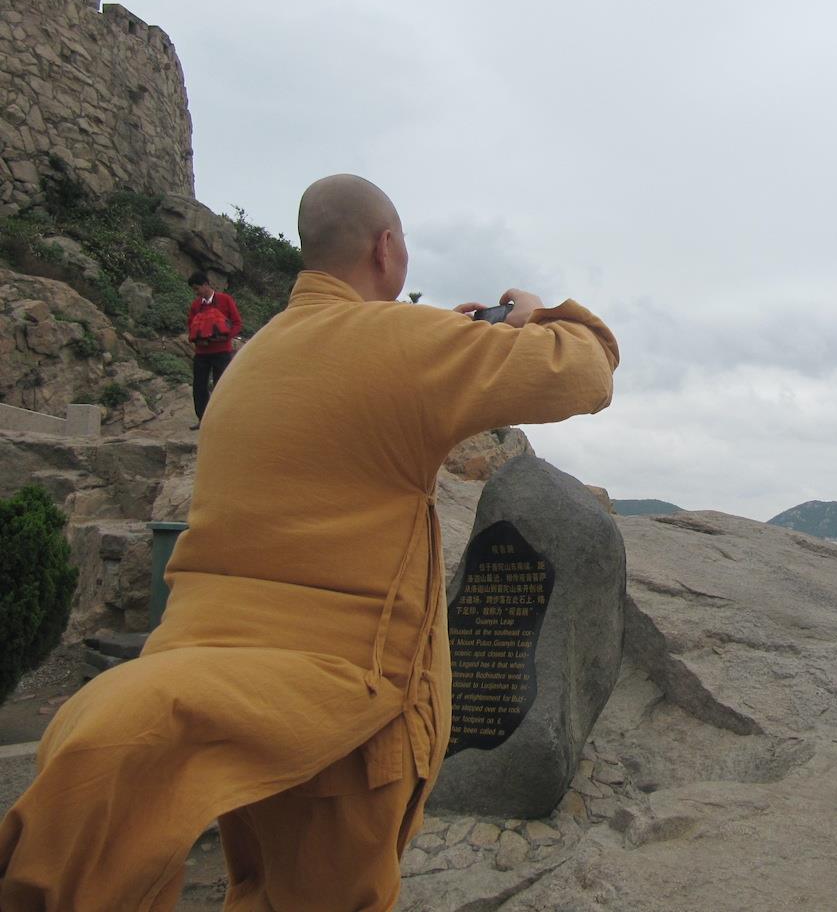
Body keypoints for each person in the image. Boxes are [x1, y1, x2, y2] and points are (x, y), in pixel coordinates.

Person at [0, 174, 619, 910]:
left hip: (204, 672)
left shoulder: (248, 361)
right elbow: (587, 370)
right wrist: (532, 314)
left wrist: (440, 344)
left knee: (255, 881)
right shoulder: (404, 341)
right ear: (386, 249)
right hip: (337, 702)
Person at [186, 271, 243, 428]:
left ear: (205, 285)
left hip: (222, 352)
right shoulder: (196, 305)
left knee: (222, 386)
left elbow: (237, 323)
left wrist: (225, 337)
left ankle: (222, 419)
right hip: (201, 353)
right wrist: (198, 340)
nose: (196, 292)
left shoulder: (225, 300)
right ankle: (203, 419)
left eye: (197, 288)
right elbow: (191, 325)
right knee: (199, 386)